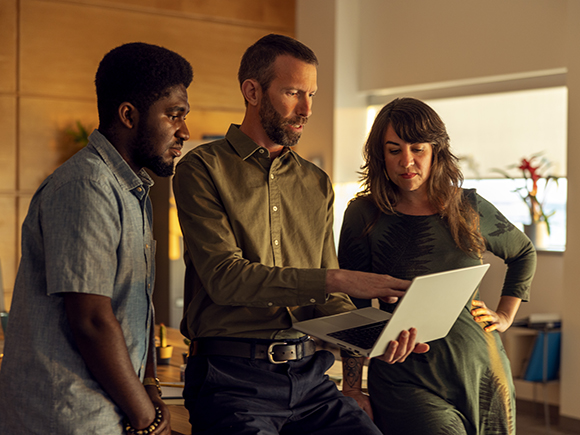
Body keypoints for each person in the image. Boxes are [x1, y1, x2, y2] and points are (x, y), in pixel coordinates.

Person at [172, 34, 428, 434]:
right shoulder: (201, 169)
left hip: (310, 380)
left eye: (311, 94)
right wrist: (336, 278)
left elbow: (328, 299)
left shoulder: (317, 183)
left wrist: (376, 337)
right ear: (252, 91)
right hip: (230, 382)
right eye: (293, 92)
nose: (307, 109)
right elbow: (225, 279)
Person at [0, 42, 193, 434]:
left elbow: (131, 310)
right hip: (68, 417)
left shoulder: (131, 190)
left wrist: (149, 385)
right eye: (174, 115)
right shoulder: (86, 185)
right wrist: (146, 415)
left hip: (105, 410)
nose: (184, 131)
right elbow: (91, 320)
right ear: (128, 115)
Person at [338, 97, 537, 435]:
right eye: (394, 149)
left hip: (482, 368)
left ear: (436, 151)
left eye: (418, 148)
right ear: (379, 155)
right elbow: (352, 307)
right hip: (404, 374)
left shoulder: (469, 207)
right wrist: (353, 386)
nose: (407, 161)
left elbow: (523, 254)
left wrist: (505, 315)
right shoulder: (363, 215)